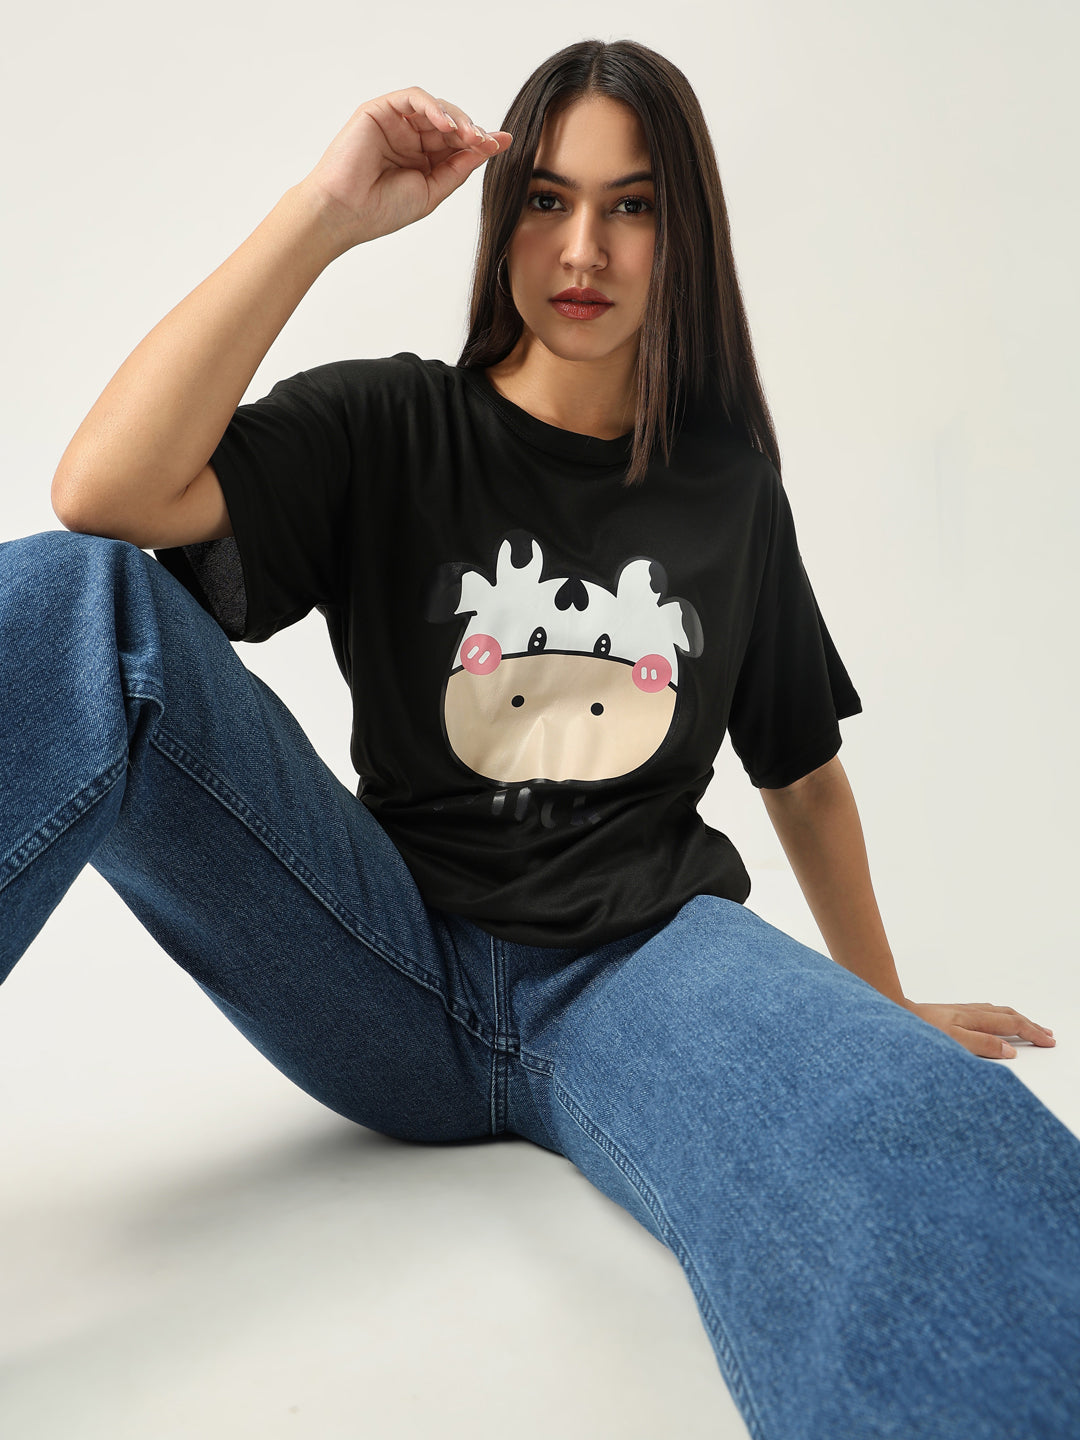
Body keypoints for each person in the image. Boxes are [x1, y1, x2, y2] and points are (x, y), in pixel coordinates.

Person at [2, 36, 1078, 1439]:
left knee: (919, 1125)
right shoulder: (392, 424)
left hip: (641, 975)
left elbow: (803, 771)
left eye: (633, 207)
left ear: (685, 239)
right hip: (381, 957)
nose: (584, 248)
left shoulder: (728, 488)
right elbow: (104, 491)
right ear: (502, 219)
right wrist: (323, 214)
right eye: (549, 199)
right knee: (79, 602)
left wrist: (882, 1009)